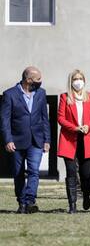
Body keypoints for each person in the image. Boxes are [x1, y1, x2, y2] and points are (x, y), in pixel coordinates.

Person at [0, 66, 50, 214]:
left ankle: (29, 201)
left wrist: (47, 140)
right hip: (16, 141)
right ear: (28, 80)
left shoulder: (41, 93)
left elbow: (44, 118)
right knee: (18, 172)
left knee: (34, 171)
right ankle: (21, 202)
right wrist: (8, 140)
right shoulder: (9, 94)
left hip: (36, 140)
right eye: (38, 79)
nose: (41, 82)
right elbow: (4, 120)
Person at [57, 70, 90, 213]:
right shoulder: (64, 97)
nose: (78, 81)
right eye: (75, 79)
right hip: (70, 139)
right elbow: (60, 118)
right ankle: (72, 205)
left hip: (86, 138)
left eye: (80, 78)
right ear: (71, 81)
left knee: (87, 173)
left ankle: (87, 194)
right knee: (71, 172)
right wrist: (75, 128)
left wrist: (88, 126)